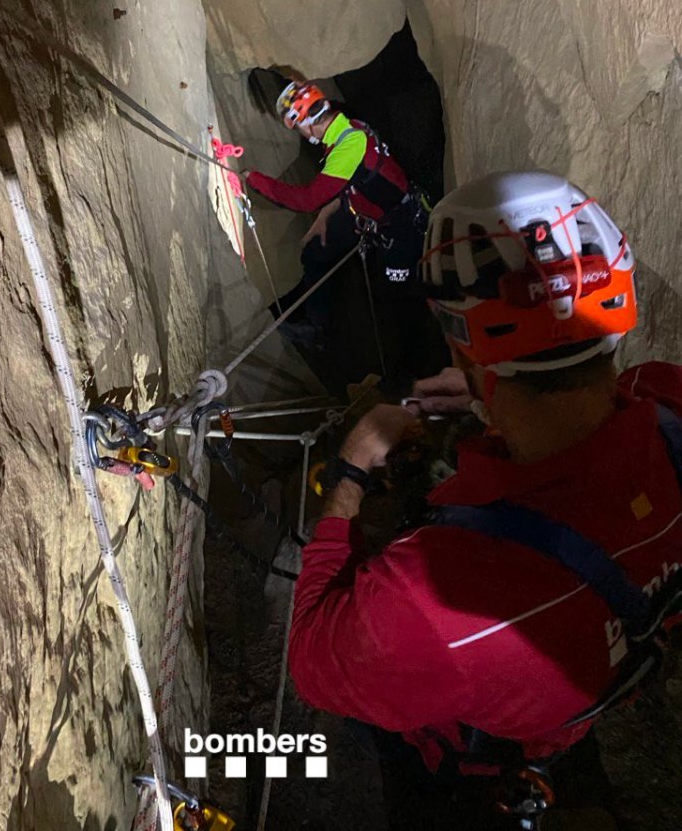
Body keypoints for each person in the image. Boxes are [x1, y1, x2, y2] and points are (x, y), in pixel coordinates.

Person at [287, 169, 682, 828]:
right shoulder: (670, 403)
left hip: (474, 753)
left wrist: (351, 472)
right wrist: (483, 391)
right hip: (586, 691)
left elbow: (311, 659)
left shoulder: (437, 597)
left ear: (464, 350)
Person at [243, 80, 428, 337]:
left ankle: (417, 356)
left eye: (297, 126)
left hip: (400, 227)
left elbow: (306, 199)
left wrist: (254, 179)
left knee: (397, 295)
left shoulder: (348, 147)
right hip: (360, 213)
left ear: (306, 123)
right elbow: (348, 183)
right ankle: (317, 328)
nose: (301, 133)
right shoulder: (348, 129)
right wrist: (323, 217)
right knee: (315, 253)